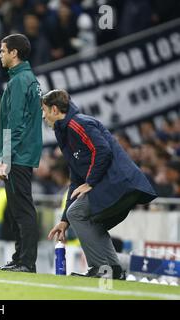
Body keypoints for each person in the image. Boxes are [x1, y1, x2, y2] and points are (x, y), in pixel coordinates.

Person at [43, 89, 157, 279]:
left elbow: (102, 150)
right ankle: (113, 270)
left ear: (54, 110)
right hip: (119, 185)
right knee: (89, 219)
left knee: (77, 212)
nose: (43, 116)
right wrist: (64, 221)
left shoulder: (77, 124)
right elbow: (76, 181)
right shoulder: (67, 132)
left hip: (120, 183)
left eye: (44, 110)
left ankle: (99, 268)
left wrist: (90, 182)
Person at [0, 34, 43, 273]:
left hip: (18, 155)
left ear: (14, 53)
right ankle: (19, 258)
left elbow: (16, 124)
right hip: (21, 153)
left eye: (3, 51)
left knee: (22, 209)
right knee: (17, 210)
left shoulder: (20, 81)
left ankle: (26, 262)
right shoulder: (26, 79)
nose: (0, 55)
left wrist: (5, 157)